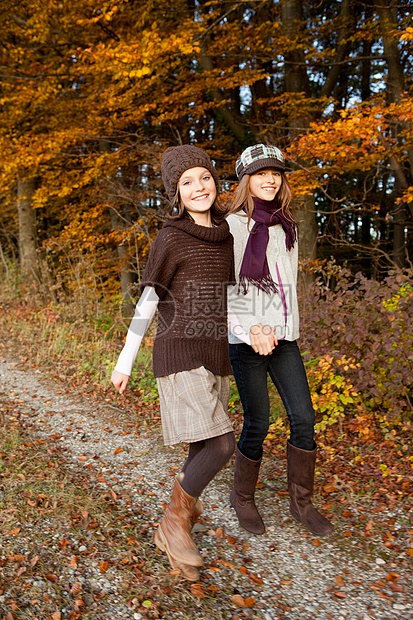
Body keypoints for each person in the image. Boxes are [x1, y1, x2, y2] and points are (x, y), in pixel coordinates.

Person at [111, 145, 236, 581]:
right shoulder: (171, 236)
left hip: (216, 354)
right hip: (179, 352)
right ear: (175, 193)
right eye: (187, 182)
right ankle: (174, 521)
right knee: (222, 445)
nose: (198, 187)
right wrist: (125, 361)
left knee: (201, 446)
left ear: (215, 182)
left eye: (204, 177)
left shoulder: (226, 236)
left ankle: (173, 533)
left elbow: (227, 298)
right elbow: (148, 302)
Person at [227, 143, 334, 537]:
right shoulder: (233, 227)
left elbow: (285, 287)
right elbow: (224, 289)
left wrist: (282, 328)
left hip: (285, 339)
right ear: (246, 180)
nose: (270, 179)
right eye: (260, 173)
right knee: (258, 422)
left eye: (275, 173)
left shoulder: (288, 226)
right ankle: (243, 498)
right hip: (246, 341)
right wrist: (252, 328)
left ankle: (301, 502)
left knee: (304, 417)